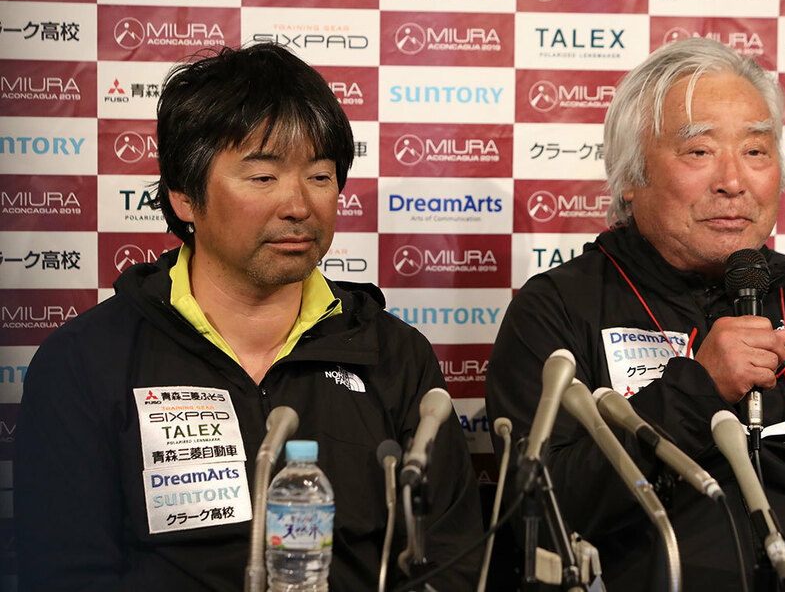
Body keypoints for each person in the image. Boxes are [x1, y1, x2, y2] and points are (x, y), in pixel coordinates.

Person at [15, 42, 483, 591]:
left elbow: (451, 560)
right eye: (263, 178)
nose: (298, 205)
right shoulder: (88, 359)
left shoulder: (393, 353)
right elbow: (66, 573)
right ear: (185, 196)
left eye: (320, 176)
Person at [485, 37, 785, 590]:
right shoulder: (558, 310)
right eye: (699, 151)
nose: (734, 181)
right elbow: (533, 516)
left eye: (757, 151)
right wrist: (697, 389)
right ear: (631, 174)